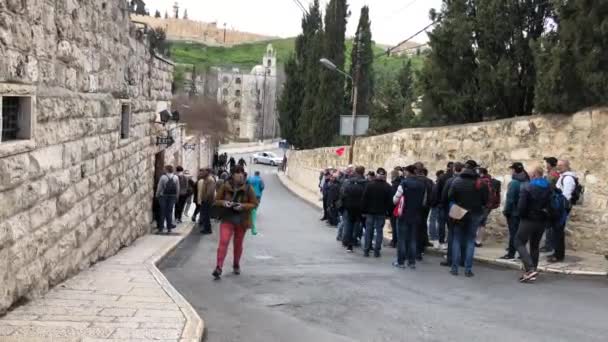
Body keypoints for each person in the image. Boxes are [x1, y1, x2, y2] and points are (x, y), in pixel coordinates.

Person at [212, 166, 258, 279]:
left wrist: (242, 206)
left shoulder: (248, 188)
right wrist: (224, 203)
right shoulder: (225, 186)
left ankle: (236, 264)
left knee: (238, 244)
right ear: (232, 175)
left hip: (242, 220)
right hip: (227, 218)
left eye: (242, 173)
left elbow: (254, 203)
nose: (240, 175)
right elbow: (216, 200)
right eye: (238, 173)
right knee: (223, 241)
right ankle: (219, 267)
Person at [448, 163, 489, 277]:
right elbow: (485, 201)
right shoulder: (481, 183)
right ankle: (468, 269)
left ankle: (454, 268)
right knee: (470, 240)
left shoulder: (456, 181)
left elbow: (450, 196)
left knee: (456, 240)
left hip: (459, 211)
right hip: (475, 213)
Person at [515, 165, 552, 282]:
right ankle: (533, 270)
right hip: (542, 220)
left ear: (534, 174)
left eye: (530, 173)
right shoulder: (549, 186)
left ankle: (530, 269)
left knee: (518, 241)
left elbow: (521, 206)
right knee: (535, 245)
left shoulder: (527, 187)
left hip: (528, 219)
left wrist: (521, 216)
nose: (528, 175)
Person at [392, 165, 426, 269]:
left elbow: (395, 200)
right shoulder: (422, 184)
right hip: (416, 214)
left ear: (408, 172)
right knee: (413, 239)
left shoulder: (404, 183)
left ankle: (401, 262)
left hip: (403, 214)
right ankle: (412, 262)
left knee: (402, 239)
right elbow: (424, 201)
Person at [549, 159, 578, 263]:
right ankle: (556, 253)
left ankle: (558, 255)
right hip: (560, 207)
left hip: (562, 208)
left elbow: (566, 196)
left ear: (566, 166)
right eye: (557, 165)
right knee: (557, 231)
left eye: (560, 165)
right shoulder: (563, 176)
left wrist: (558, 208)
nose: (558, 167)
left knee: (558, 231)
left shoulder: (568, 178)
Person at [361, 168, 393, 257]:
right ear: (384, 176)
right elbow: (390, 202)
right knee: (379, 232)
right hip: (381, 212)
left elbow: (364, 199)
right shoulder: (388, 187)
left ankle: (366, 250)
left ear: (377, 175)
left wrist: (363, 211)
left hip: (370, 212)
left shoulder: (370, 185)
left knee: (368, 231)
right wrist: (389, 214)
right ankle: (377, 251)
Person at [501, 162, 529, 259]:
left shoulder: (514, 183)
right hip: (524, 212)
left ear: (514, 170)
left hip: (513, 213)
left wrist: (506, 211)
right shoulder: (527, 181)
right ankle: (522, 253)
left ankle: (511, 254)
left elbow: (510, 200)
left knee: (513, 234)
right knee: (522, 234)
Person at [440, 162, 464, 267]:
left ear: (454, 169)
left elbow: (444, 197)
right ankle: (463, 260)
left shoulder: (451, 181)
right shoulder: (473, 181)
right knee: (464, 236)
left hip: (453, 209)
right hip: (467, 210)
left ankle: (451, 259)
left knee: (452, 235)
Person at [340, 166, 367, 252]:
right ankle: (357, 241)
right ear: (363, 172)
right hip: (361, 207)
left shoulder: (348, 182)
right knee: (359, 225)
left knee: (349, 225)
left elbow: (343, 193)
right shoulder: (365, 183)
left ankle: (348, 244)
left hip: (349, 206)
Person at [475, 168, 501, 247]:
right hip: (489, 205)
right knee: (482, 223)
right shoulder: (493, 181)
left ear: (481, 173)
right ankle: (478, 241)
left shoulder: (480, 181)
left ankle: (474, 240)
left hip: (480, 205)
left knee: (476, 222)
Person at [541, 156, 561, 253]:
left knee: (549, 225)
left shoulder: (552, 175)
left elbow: (546, 188)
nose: (546, 165)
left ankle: (548, 245)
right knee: (551, 225)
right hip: (553, 202)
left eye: (546, 163)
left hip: (550, 202)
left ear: (549, 164)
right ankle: (550, 245)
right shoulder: (555, 173)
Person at [434, 162, 455, 249]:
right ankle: (449, 242)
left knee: (441, 224)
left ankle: (441, 242)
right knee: (451, 225)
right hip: (452, 204)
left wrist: (437, 202)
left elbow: (437, 191)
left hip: (442, 204)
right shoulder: (456, 178)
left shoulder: (442, 177)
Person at [415, 167, 434, 259]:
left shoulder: (414, 181)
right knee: (423, 225)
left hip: (416, 207)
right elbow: (433, 194)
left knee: (415, 228)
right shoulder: (430, 181)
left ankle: (416, 249)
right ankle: (422, 246)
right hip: (426, 207)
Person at [155, 165, 180, 234]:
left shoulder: (163, 177)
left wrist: (157, 195)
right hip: (172, 196)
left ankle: (161, 228)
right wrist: (177, 196)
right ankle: (169, 228)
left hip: (163, 196)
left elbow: (159, 187)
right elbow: (178, 188)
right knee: (169, 212)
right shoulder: (176, 177)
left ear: (166, 170)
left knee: (162, 212)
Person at [428, 170, 445, 245]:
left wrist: (433, 204)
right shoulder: (443, 183)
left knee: (433, 220)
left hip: (436, 205)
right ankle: (437, 236)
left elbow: (434, 195)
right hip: (440, 205)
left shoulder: (436, 184)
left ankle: (433, 237)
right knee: (438, 222)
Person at [197, 168, 216, 234]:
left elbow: (210, 192)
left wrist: (205, 199)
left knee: (206, 215)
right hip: (205, 200)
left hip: (207, 201)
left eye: (204, 172)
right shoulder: (207, 179)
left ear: (208, 172)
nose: (202, 173)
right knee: (205, 215)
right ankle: (206, 228)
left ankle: (207, 229)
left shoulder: (210, 179)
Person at [389, 169, 404, 248]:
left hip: (395, 208)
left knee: (395, 226)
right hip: (401, 208)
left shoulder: (395, 185)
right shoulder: (402, 182)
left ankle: (395, 241)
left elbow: (393, 199)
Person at [248, 171, 265, 235]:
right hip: (257, 195)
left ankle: (250, 212)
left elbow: (246, 183)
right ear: (259, 174)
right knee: (255, 206)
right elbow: (262, 187)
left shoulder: (250, 178)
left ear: (254, 173)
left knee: (250, 204)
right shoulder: (260, 180)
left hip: (250, 194)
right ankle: (254, 211)